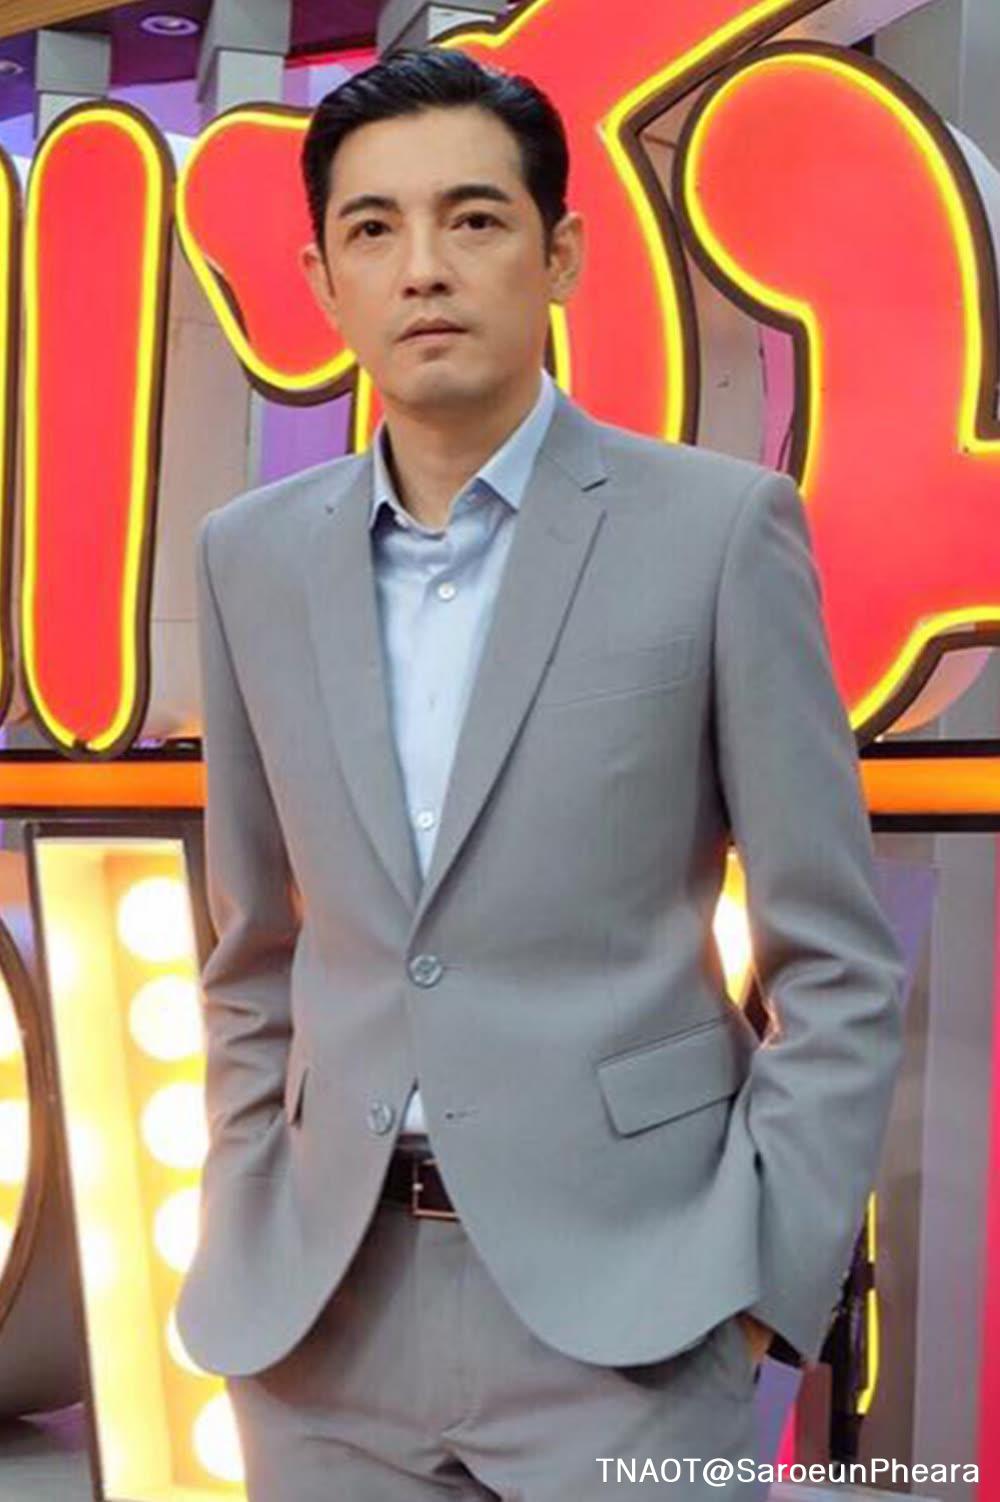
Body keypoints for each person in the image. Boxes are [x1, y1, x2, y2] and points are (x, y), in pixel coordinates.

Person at [176, 45, 906, 1500]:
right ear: (322, 284)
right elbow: (251, 950)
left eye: (474, 218)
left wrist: (760, 1291)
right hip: (320, 1321)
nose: (423, 268)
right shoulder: (249, 557)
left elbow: (837, 962)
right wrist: (247, 1196)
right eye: (372, 229)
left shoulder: (717, 531)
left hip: (635, 1319)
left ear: (559, 253)